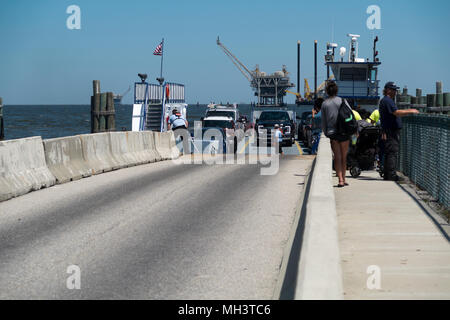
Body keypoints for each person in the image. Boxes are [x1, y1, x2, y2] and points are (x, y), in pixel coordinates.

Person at [379, 81, 419, 181]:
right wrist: (411, 111)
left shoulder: (386, 100)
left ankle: (388, 174)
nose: (395, 92)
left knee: (390, 152)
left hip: (389, 130)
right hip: (391, 131)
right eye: (393, 90)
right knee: (392, 152)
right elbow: (396, 112)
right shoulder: (387, 101)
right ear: (388, 90)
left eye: (395, 90)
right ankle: (391, 175)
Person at [321, 81, 350, 188]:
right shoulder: (342, 100)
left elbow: (323, 122)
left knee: (337, 157)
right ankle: (344, 178)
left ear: (327, 92)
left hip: (333, 133)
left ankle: (340, 179)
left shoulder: (324, 104)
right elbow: (350, 114)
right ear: (336, 90)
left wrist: (326, 132)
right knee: (344, 156)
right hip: (344, 132)